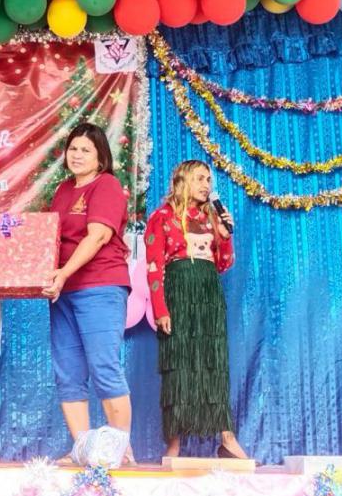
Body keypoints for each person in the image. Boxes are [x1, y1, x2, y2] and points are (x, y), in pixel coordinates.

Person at [42, 123, 134, 464]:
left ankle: (120, 449)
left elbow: (97, 237)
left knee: (104, 366)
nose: (77, 155)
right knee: (68, 371)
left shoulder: (106, 185)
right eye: (73, 149)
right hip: (63, 291)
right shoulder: (63, 190)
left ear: (100, 158)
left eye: (86, 150)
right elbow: (49, 238)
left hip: (100, 286)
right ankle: (81, 448)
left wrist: (64, 273)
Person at [145, 159, 248, 459]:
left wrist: (225, 237)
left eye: (208, 180)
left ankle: (227, 437)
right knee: (179, 365)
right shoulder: (161, 217)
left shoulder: (210, 218)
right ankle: (174, 444)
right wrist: (160, 308)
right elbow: (154, 267)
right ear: (183, 181)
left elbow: (224, 264)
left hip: (208, 295)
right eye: (200, 179)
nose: (206, 185)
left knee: (213, 363)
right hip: (178, 293)